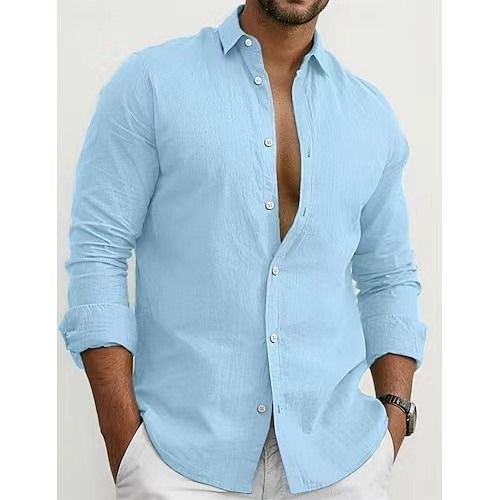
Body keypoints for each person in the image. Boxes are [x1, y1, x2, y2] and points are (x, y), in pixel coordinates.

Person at [58, 1, 428, 498]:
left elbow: (389, 275)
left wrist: (394, 417)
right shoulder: (151, 83)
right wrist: (124, 443)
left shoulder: (369, 115)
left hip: (340, 465)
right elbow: (99, 251)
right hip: (179, 463)